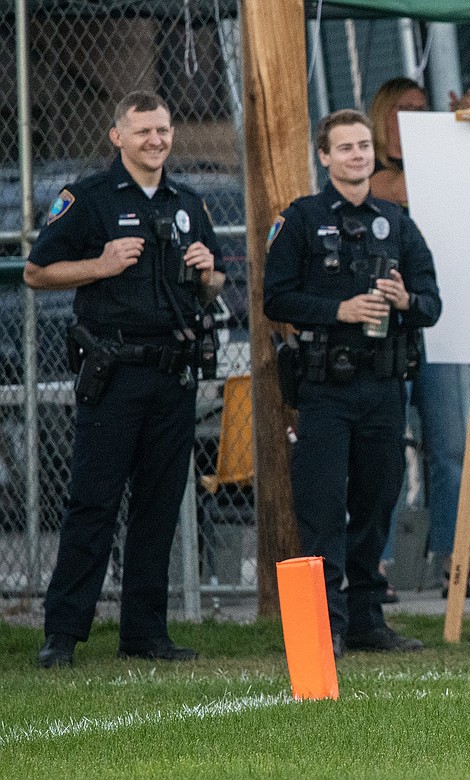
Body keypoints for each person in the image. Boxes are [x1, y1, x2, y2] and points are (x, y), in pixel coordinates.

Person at [27, 92, 224, 667]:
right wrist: (102, 265)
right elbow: (38, 272)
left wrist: (208, 275)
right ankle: (63, 634)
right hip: (113, 375)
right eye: (142, 132)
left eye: (162, 130)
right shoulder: (86, 199)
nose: (155, 141)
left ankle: (145, 633)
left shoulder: (189, 201)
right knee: (93, 504)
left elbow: (210, 288)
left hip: (175, 372)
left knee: (159, 508)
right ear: (118, 137)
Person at [264, 109, 440, 657]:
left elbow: (432, 304)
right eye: (345, 148)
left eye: (364, 145)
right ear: (324, 156)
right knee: (321, 508)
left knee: (376, 502)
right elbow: (276, 299)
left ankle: (367, 620)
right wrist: (339, 308)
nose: (358, 155)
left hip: (385, 387)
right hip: (325, 389)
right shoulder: (300, 219)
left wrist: (405, 301)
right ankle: (327, 627)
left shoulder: (398, 221)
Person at [367, 76, 470, 599]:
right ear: (381, 116)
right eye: (403, 109)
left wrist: (461, 132)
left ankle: (455, 562)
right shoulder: (376, 176)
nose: (413, 117)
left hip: (439, 323)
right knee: (384, 449)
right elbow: (407, 190)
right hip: (385, 327)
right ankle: (374, 568)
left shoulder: (443, 162)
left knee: (450, 447)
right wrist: (455, 133)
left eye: (422, 110)